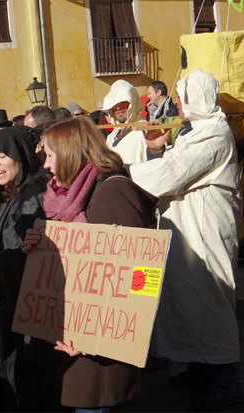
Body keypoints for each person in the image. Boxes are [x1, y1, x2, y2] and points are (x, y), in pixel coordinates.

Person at [23, 116, 158, 412]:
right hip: (76, 348)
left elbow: (143, 275)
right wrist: (40, 247)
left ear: (71, 154)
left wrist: (95, 336)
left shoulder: (111, 191)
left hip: (100, 359)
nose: (46, 165)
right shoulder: (73, 196)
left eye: (50, 155)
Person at [129, 69, 244, 411]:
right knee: (190, 302)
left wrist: (120, 172)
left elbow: (172, 171)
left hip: (206, 229)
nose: (178, 102)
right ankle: (198, 370)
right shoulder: (197, 132)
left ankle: (227, 383)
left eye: (184, 96)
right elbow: (170, 163)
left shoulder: (214, 133)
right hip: (190, 228)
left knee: (211, 302)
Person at [0, 126, 59, 412]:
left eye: (2, 156)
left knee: (32, 390)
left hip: (31, 319)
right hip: (13, 311)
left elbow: (42, 259)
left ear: (19, 156)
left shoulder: (35, 194)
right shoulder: (14, 192)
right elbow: (15, 241)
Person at [102, 80, 147, 164]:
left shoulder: (145, 131)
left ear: (132, 102)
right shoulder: (111, 137)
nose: (118, 108)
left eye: (122, 102)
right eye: (115, 103)